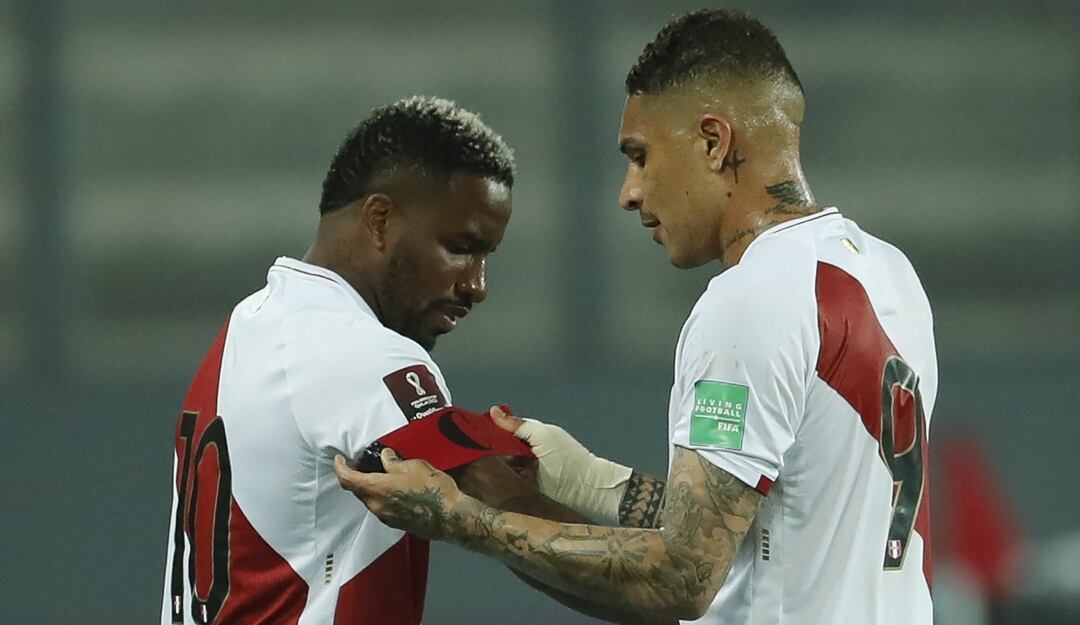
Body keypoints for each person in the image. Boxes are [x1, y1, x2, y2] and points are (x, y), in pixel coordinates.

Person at [334, 9, 937, 625]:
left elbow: (681, 578)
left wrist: (465, 522)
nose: (629, 191)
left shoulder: (753, 301)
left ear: (713, 141)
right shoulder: (887, 273)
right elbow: (773, 526)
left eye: (641, 156)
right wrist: (589, 479)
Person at [160, 96, 525, 624]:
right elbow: (516, 517)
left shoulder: (248, 325)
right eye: (461, 246)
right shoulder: (363, 351)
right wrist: (671, 567)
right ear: (379, 219)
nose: (477, 284)